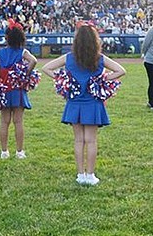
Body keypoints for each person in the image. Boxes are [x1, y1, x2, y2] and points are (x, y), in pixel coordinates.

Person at [42, 24, 126, 186]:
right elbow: (121, 71)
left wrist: (62, 79)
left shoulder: (69, 57)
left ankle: (80, 174)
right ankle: (90, 175)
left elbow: (46, 68)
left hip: (75, 103)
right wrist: (102, 79)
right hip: (93, 103)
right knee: (91, 140)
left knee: (78, 140)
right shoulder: (99, 58)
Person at [0, 22, 37, 159]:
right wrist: (25, 73)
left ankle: (4, 152)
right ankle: (19, 152)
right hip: (17, 91)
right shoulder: (22, 52)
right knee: (18, 121)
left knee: (4, 121)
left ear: (6, 38)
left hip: (4, 90)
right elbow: (34, 61)